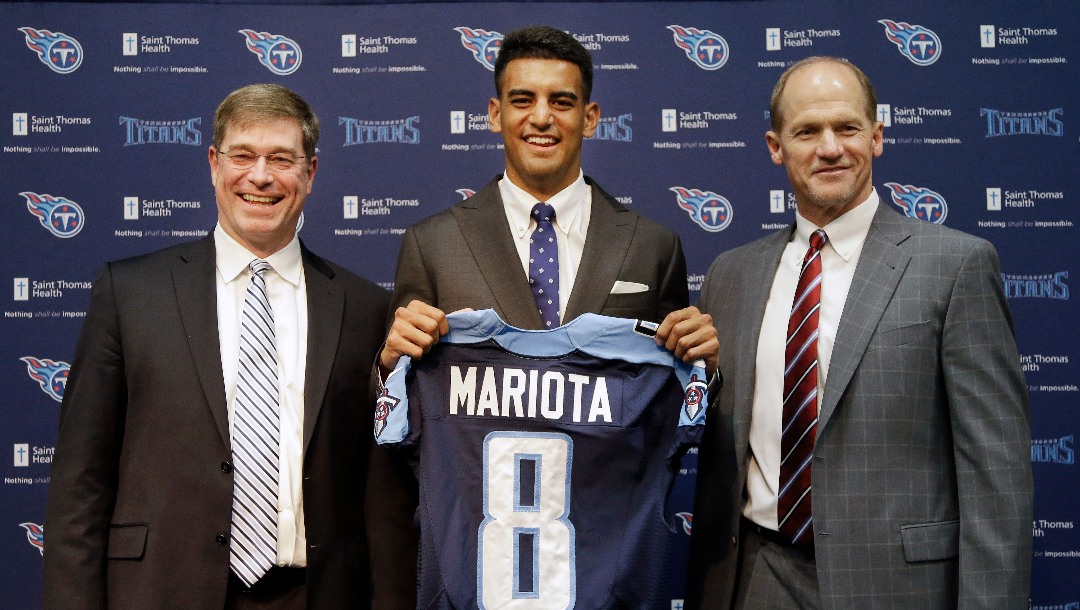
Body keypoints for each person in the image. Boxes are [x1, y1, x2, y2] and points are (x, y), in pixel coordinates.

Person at [368, 24, 717, 607]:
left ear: (591, 116)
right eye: (522, 99)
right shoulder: (433, 243)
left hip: (603, 574)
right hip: (479, 574)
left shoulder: (653, 246)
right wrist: (388, 364)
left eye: (562, 101)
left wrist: (701, 362)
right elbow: (400, 424)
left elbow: (677, 409)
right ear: (493, 112)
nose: (542, 118)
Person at [685, 56, 1033, 609]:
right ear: (776, 147)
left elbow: (997, 476)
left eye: (846, 128)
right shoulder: (732, 274)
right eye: (807, 131)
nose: (830, 147)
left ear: (877, 137)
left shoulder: (954, 265)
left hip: (899, 588)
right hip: (754, 579)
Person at [43, 83, 390, 609]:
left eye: (281, 158)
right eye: (243, 155)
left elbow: (379, 494)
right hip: (161, 590)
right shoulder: (130, 293)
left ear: (311, 173)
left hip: (314, 594)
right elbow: (80, 483)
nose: (260, 176)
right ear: (213, 163)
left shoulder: (364, 308)